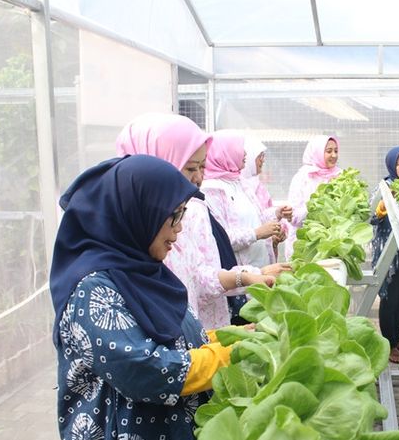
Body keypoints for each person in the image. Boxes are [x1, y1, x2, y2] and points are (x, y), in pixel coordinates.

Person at [50, 155, 233, 440]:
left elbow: (171, 333)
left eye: (182, 214)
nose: (179, 229)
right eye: (173, 216)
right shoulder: (92, 289)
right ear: (138, 212)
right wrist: (228, 355)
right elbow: (144, 369)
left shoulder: (143, 269)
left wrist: (227, 337)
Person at [116, 113, 279, 329]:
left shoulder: (189, 207)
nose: (200, 177)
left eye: (203, 167)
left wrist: (252, 275)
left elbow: (198, 277)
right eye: (191, 168)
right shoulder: (135, 235)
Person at [202, 132, 291, 269]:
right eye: (239, 149)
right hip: (240, 275)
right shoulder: (212, 190)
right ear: (224, 153)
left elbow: (256, 218)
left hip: (260, 269)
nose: (244, 153)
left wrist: (276, 213)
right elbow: (220, 238)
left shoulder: (239, 182)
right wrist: (257, 233)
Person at [371, 147, 399, 365]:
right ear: (392, 167)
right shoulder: (384, 187)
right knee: (389, 298)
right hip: (388, 254)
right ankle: (388, 345)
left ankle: (397, 339)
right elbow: (372, 215)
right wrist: (383, 207)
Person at [284, 134, 342, 259]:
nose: (334, 155)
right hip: (306, 245)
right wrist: (317, 204)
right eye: (329, 151)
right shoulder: (303, 177)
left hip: (332, 245)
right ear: (317, 153)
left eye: (336, 151)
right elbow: (293, 217)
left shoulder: (340, 175)